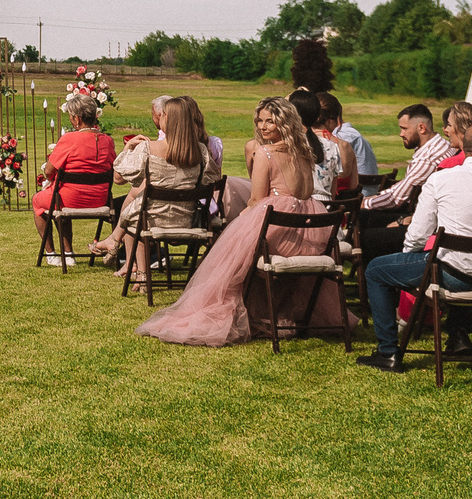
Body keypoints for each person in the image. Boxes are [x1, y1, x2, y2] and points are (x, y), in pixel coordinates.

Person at [137, 97, 348, 347]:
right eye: (260, 121)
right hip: (310, 234)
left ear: (284, 122)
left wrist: (238, 224)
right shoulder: (305, 152)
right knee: (238, 248)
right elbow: (307, 193)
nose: (262, 126)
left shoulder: (266, 153)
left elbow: (256, 200)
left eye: (270, 121)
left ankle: (236, 312)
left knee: (229, 257)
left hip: (278, 231)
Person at [354, 122, 472, 374]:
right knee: (449, 261)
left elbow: (417, 235)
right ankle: (456, 337)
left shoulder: (440, 180)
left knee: (377, 270)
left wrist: (408, 259)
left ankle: (387, 352)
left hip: (453, 276)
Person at [93, 95, 215, 277]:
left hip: (151, 221)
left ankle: (140, 273)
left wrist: (128, 148)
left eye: (162, 114)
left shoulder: (148, 148)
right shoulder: (201, 151)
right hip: (187, 220)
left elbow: (119, 176)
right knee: (135, 206)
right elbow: (210, 181)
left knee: (133, 215)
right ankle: (120, 248)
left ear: (168, 118)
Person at [33, 94, 115, 263]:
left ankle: (52, 254)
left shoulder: (69, 139)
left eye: (70, 116)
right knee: (57, 197)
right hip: (100, 199)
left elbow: (49, 171)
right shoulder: (108, 141)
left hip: (69, 198)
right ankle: (68, 253)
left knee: (38, 201)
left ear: (77, 119)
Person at [358, 103, 463, 222]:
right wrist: (375, 197)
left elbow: (395, 199)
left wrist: (363, 203)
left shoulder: (427, 159)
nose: (401, 134)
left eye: (404, 128)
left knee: (362, 217)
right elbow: (402, 187)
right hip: (425, 212)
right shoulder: (443, 144)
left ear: (422, 128)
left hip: (418, 217)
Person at [323, 93, 378, 179]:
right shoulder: (351, 133)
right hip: (369, 184)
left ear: (330, 119)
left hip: (359, 185)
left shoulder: (342, 136)